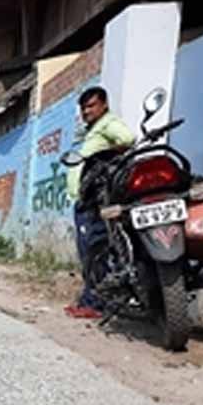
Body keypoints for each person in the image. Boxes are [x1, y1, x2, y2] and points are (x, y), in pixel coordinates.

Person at [64, 86, 135, 319]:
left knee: (93, 251)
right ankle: (93, 300)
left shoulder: (107, 124)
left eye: (91, 106)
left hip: (95, 200)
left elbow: (128, 138)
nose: (86, 111)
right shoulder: (93, 130)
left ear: (104, 105)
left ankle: (94, 304)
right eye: (83, 108)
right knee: (91, 250)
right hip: (87, 198)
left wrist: (106, 154)